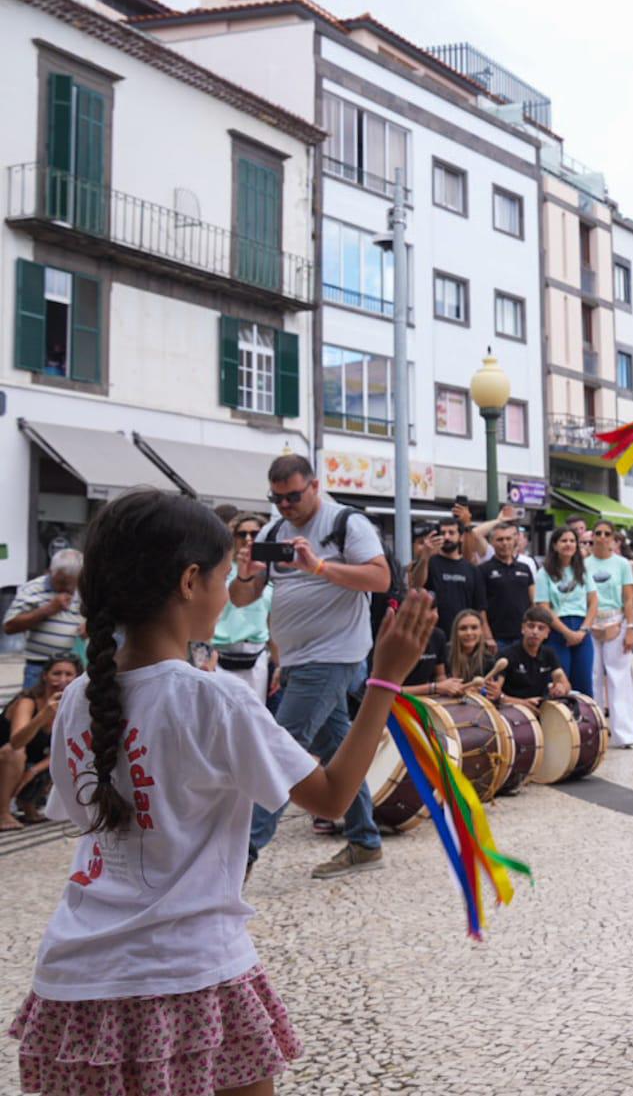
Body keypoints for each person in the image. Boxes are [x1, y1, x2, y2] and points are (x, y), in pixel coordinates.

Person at [9, 490, 432, 1096]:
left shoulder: (77, 697)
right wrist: (386, 676)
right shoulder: (214, 699)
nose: (230, 587)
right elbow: (334, 796)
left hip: (73, 981)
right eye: (225, 575)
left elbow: (83, 817)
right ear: (189, 581)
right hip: (186, 973)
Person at [232, 454, 393, 879]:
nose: (285, 505)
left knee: (281, 749)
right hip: (300, 659)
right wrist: (247, 573)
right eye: (277, 498)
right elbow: (240, 599)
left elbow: (380, 579)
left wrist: (319, 567)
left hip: (334, 654)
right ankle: (365, 840)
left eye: (293, 496)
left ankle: (241, 856)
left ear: (315, 486)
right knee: (339, 751)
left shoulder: (346, 524)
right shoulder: (273, 531)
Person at [0, 656, 80, 831]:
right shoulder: (27, 701)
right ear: (45, 676)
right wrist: (43, 716)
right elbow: (16, 742)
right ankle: (3, 812)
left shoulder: (74, 705)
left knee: (69, 757)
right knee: (14, 752)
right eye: (56, 674)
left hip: (30, 764)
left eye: (69, 674)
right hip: (7, 759)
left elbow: (67, 748)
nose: (62, 680)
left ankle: (29, 805)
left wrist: (33, 771)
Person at [584, 523, 633, 748]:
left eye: (607, 534)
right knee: (592, 677)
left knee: (620, 679)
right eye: (598, 533)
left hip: (616, 622)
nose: (602, 537)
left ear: (613, 539)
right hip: (590, 624)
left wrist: (630, 628)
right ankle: (594, 733)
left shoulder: (623, 564)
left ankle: (625, 735)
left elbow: (628, 598)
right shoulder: (583, 563)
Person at [211, 514, 277, 700]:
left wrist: (279, 664)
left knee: (252, 716)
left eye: (255, 534)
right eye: (242, 534)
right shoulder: (220, 571)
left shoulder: (270, 573)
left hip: (255, 654)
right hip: (220, 653)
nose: (248, 539)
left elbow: (272, 621)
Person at [4, 550, 84, 690]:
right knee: (32, 708)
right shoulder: (32, 589)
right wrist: (48, 610)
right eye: (61, 582)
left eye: (71, 583)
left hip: (74, 668)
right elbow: (9, 626)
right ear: (50, 572)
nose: (66, 588)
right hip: (39, 667)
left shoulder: (84, 590)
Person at [535, 528, 597, 698]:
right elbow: (543, 608)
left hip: (582, 630)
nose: (568, 544)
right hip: (556, 631)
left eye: (572, 541)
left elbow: (593, 602)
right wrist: (567, 633)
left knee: (584, 682)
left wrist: (583, 630)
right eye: (563, 541)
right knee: (560, 686)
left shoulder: (583, 571)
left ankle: (586, 723)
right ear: (554, 545)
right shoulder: (543, 573)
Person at [410, 519, 486, 644]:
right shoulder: (429, 563)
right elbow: (416, 584)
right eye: (443, 533)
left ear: (461, 537)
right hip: (433, 634)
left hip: (464, 636)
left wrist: (486, 636)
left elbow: (479, 607)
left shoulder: (472, 570)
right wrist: (425, 557)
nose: (447, 537)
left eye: (451, 533)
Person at [497, 607, 572, 706]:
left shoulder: (549, 653)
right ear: (523, 628)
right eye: (531, 626)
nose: (535, 632)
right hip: (512, 709)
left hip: (540, 708)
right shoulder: (506, 655)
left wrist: (561, 688)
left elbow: (566, 684)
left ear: (547, 633)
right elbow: (495, 695)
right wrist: (523, 703)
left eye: (541, 628)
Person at [479, 522, 538, 648]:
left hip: (523, 636)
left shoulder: (525, 568)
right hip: (497, 637)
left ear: (514, 540)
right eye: (500, 539)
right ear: (492, 543)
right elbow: (480, 607)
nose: (505, 543)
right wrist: (488, 636)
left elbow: (534, 603)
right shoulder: (483, 570)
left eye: (508, 539)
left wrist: (534, 630)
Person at [444, 609, 500, 687]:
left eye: (474, 628)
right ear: (455, 632)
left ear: (481, 631)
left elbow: (490, 692)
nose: (469, 633)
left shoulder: (488, 659)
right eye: (463, 628)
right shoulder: (444, 654)